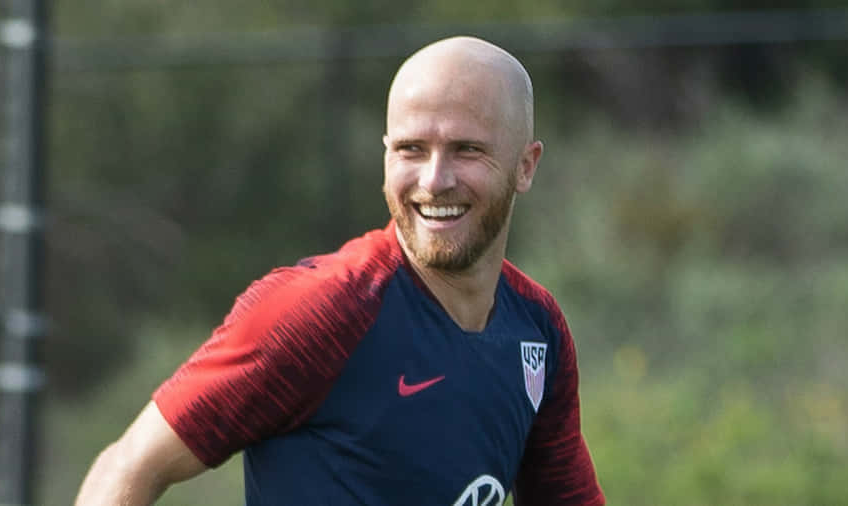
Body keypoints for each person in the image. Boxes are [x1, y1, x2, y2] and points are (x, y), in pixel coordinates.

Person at [75, 35, 605, 506]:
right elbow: (128, 468)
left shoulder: (535, 328)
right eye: (410, 149)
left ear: (526, 165)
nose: (434, 179)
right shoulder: (322, 311)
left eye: (466, 150)